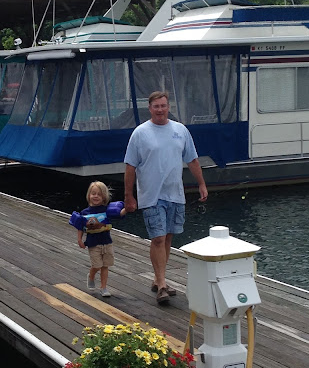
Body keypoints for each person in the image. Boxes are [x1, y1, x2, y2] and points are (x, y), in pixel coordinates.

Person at [124, 91, 208, 305]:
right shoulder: (140, 133)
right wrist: (129, 196)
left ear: (168, 107)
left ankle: (157, 278)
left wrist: (201, 184)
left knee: (168, 237)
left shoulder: (180, 130)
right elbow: (130, 166)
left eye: (163, 106)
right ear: (150, 108)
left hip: (175, 194)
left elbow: (192, 160)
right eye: (156, 106)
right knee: (158, 238)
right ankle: (162, 285)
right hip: (151, 195)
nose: (160, 109)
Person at [69, 181, 126, 298]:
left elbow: (119, 214)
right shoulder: (85, 212)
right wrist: (79, 239)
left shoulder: (107, 210)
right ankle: (91, 276)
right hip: (93, 243)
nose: (96, 196)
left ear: (104, 196)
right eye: (93, 193)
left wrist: (127, 209)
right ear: (89, 195)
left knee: (105, 266)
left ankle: (103, 287)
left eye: (99, 194)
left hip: (107, 242)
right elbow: (80, 227)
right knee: (97, 265)